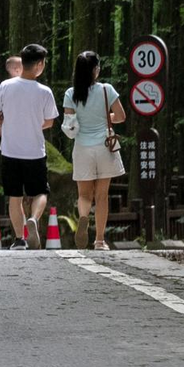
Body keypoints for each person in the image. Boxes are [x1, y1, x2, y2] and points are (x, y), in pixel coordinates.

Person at [0, 42, 58, 249]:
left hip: (10, 150)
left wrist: (5, 124)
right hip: (35, 151)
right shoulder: (44, 91)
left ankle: (19, 239)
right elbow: (50, 121)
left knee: (15, 196)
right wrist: (34, 124)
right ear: (39, 65)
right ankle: (34, 219)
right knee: (40, 192)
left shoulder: (6, 86)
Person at [63, 50, 126, 250]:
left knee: (84, 195)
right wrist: (107, 118)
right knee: (101, 196)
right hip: (104, 147)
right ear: (95, 70)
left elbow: (70, 123)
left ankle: (83, 217)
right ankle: (99, 240)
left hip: (82, 147)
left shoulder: (70, 94)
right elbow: (121, 116)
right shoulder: (107, 90)